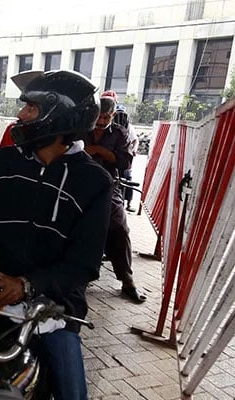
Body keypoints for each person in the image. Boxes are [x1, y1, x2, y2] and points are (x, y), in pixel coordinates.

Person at [0, 70, 112, 400]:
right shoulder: (3, 162)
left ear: (58, 115)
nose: (20, 115)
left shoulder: (94, 183)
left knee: (71, 392)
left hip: (55, 310)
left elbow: (84, 264)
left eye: (30, 108)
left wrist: (28, 285)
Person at [80, 96, 147, 303]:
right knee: (79, 227)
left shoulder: (120, 133)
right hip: (80, 185)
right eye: (98, 116)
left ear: (113, 115)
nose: (101, 121)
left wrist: (99, 150)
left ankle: (127, 280)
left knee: (119, 227)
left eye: (106, 117)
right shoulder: (82, 128)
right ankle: (78, 277)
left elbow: (124, 162)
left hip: (109, 185)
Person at [113, 103, 139, 212]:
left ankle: (129, 204)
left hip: (125, 159)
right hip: (114, 158)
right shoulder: (111, 127)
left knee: (128, 179)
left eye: (122, 114)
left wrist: (134, 150)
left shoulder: (129, 128)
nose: (121, 117)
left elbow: (135, 140)